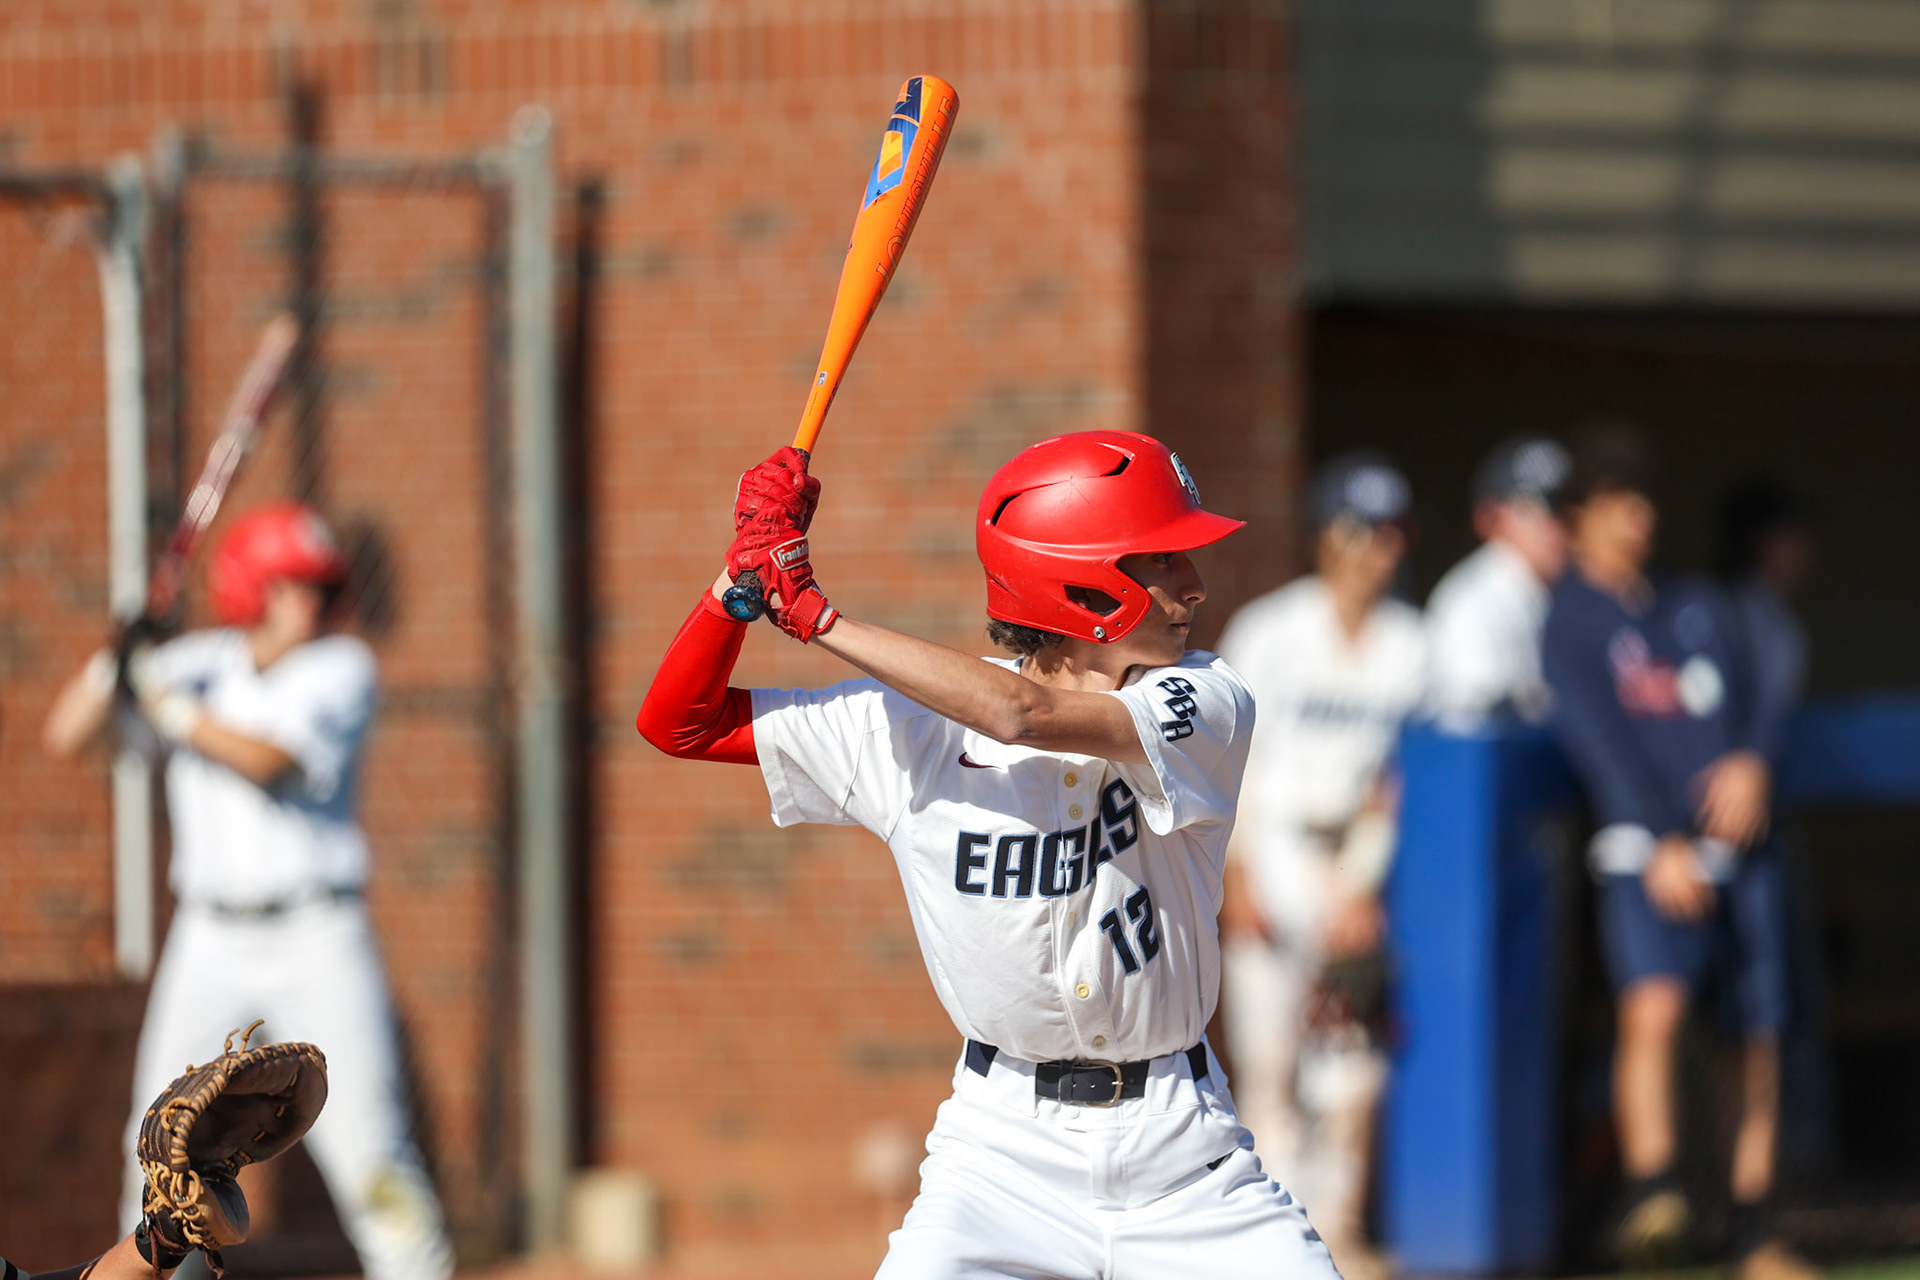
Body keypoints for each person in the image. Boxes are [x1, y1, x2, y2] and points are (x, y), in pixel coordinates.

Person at [636, 433, 1339, 1279]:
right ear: (1080, 582)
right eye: (1160, 560)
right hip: (1000, 1159)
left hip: (1186, 1159)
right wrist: (737, 587)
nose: (1192, 585)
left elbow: (1023, 716)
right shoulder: (903, 728)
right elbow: (681, 722)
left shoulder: (1205, 699)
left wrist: (819, 618)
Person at [41, 504, 453, 1280]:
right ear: (250, 587)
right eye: (297, 585)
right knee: (160, 1139)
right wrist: (114, 661)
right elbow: (66, 735)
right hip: (207, 939)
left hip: (316, 936)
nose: (316, 604)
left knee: (371, 1146)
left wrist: (162, 700)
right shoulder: (199, 660)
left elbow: (267, 759)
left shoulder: (342, 669)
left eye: (322, 588)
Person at [1539, 430, 1815, 1280]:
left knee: (1755, 1036)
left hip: (1741, 850)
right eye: (1619, 501)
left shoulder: (1697, 604)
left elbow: (1764, 695)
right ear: (1578, 517)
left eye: (1646, 499)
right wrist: (1658, 842)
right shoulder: (1569, 621)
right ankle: (1653, 1195)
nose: (1639, 517)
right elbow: (1600, 743)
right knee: (1652, 1010)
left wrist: (1753, 762)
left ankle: (1752, 1226)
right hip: (1644, 856)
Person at [1213, 452, 1429, 1279]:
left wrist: (1360, 887)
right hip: (1271, 847)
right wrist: (1233, 876)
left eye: (1391, 532)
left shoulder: (1414, 642)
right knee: (1268, 1063)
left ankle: (1337, 1232)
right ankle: (1276, 1246)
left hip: (1357, 865)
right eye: (1365, 530)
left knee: (1350, 1065)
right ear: (1330, 537)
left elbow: (1399, 783)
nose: (1380, 548)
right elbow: (1230, 765)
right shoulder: (1271, 628)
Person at [1425, 436, 1572, 731]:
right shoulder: (1472, 604)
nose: (1558, 525)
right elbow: (1476, 729)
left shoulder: (1556, 593)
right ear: (1490, 518)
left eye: (1567, 509)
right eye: (1540, 509)